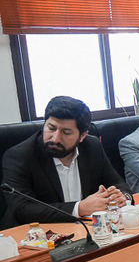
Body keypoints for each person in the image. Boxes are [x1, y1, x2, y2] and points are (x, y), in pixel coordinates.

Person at [2, 96, 130, 226]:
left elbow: (117, 183)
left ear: (82, 136)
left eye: (66, 132)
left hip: (85, 228)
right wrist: (79, 208)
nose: (55, 138)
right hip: (34, 233)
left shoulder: (92, 146)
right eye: (51, 128)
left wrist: (122, 197)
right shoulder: (20, 156)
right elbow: (22, 209)